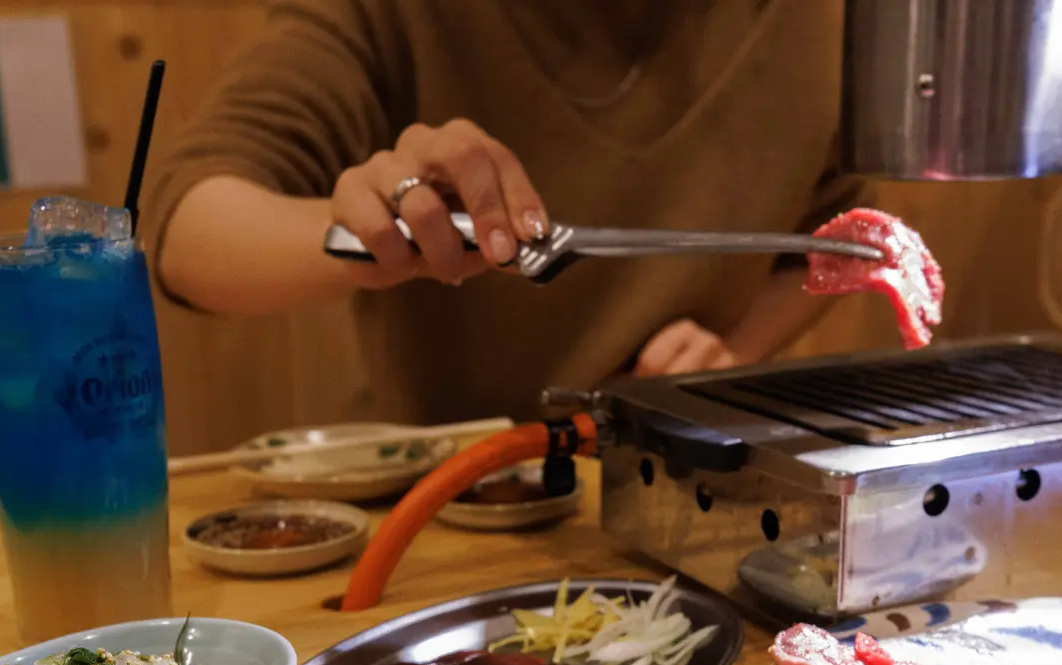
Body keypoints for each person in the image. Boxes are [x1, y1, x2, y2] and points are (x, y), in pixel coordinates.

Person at [145, 0, 864, 425]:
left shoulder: (810, 22)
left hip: (668, 479)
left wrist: (736, 350)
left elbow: (840, 238)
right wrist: (381, 235)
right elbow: (186, 231)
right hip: (441, 495)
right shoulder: (393, 15)